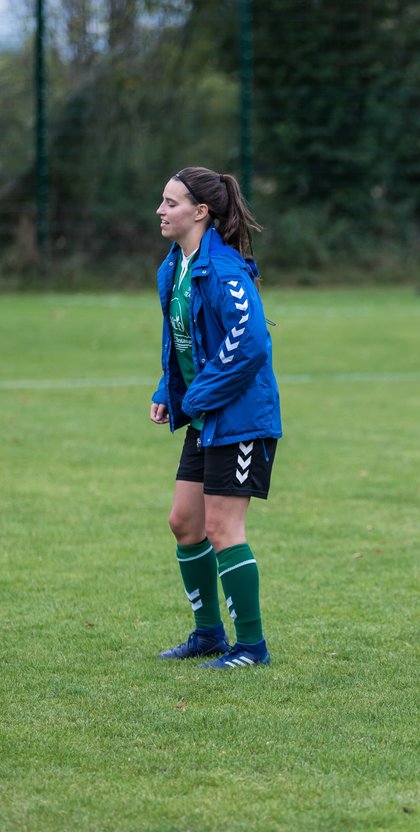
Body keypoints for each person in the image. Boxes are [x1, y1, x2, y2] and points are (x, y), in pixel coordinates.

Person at [150, 167, 281, 669]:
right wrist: (169, 389)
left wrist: (196, 396)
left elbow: (249, 346)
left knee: (224, 529)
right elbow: (181, 340)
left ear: (200, 212)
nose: (161, 211)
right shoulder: (175, 266)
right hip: (207, 414)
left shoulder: (224, 268)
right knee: (185, 523)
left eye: (170, 202)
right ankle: (208, 635)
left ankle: (251, 647)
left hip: (241, 418)